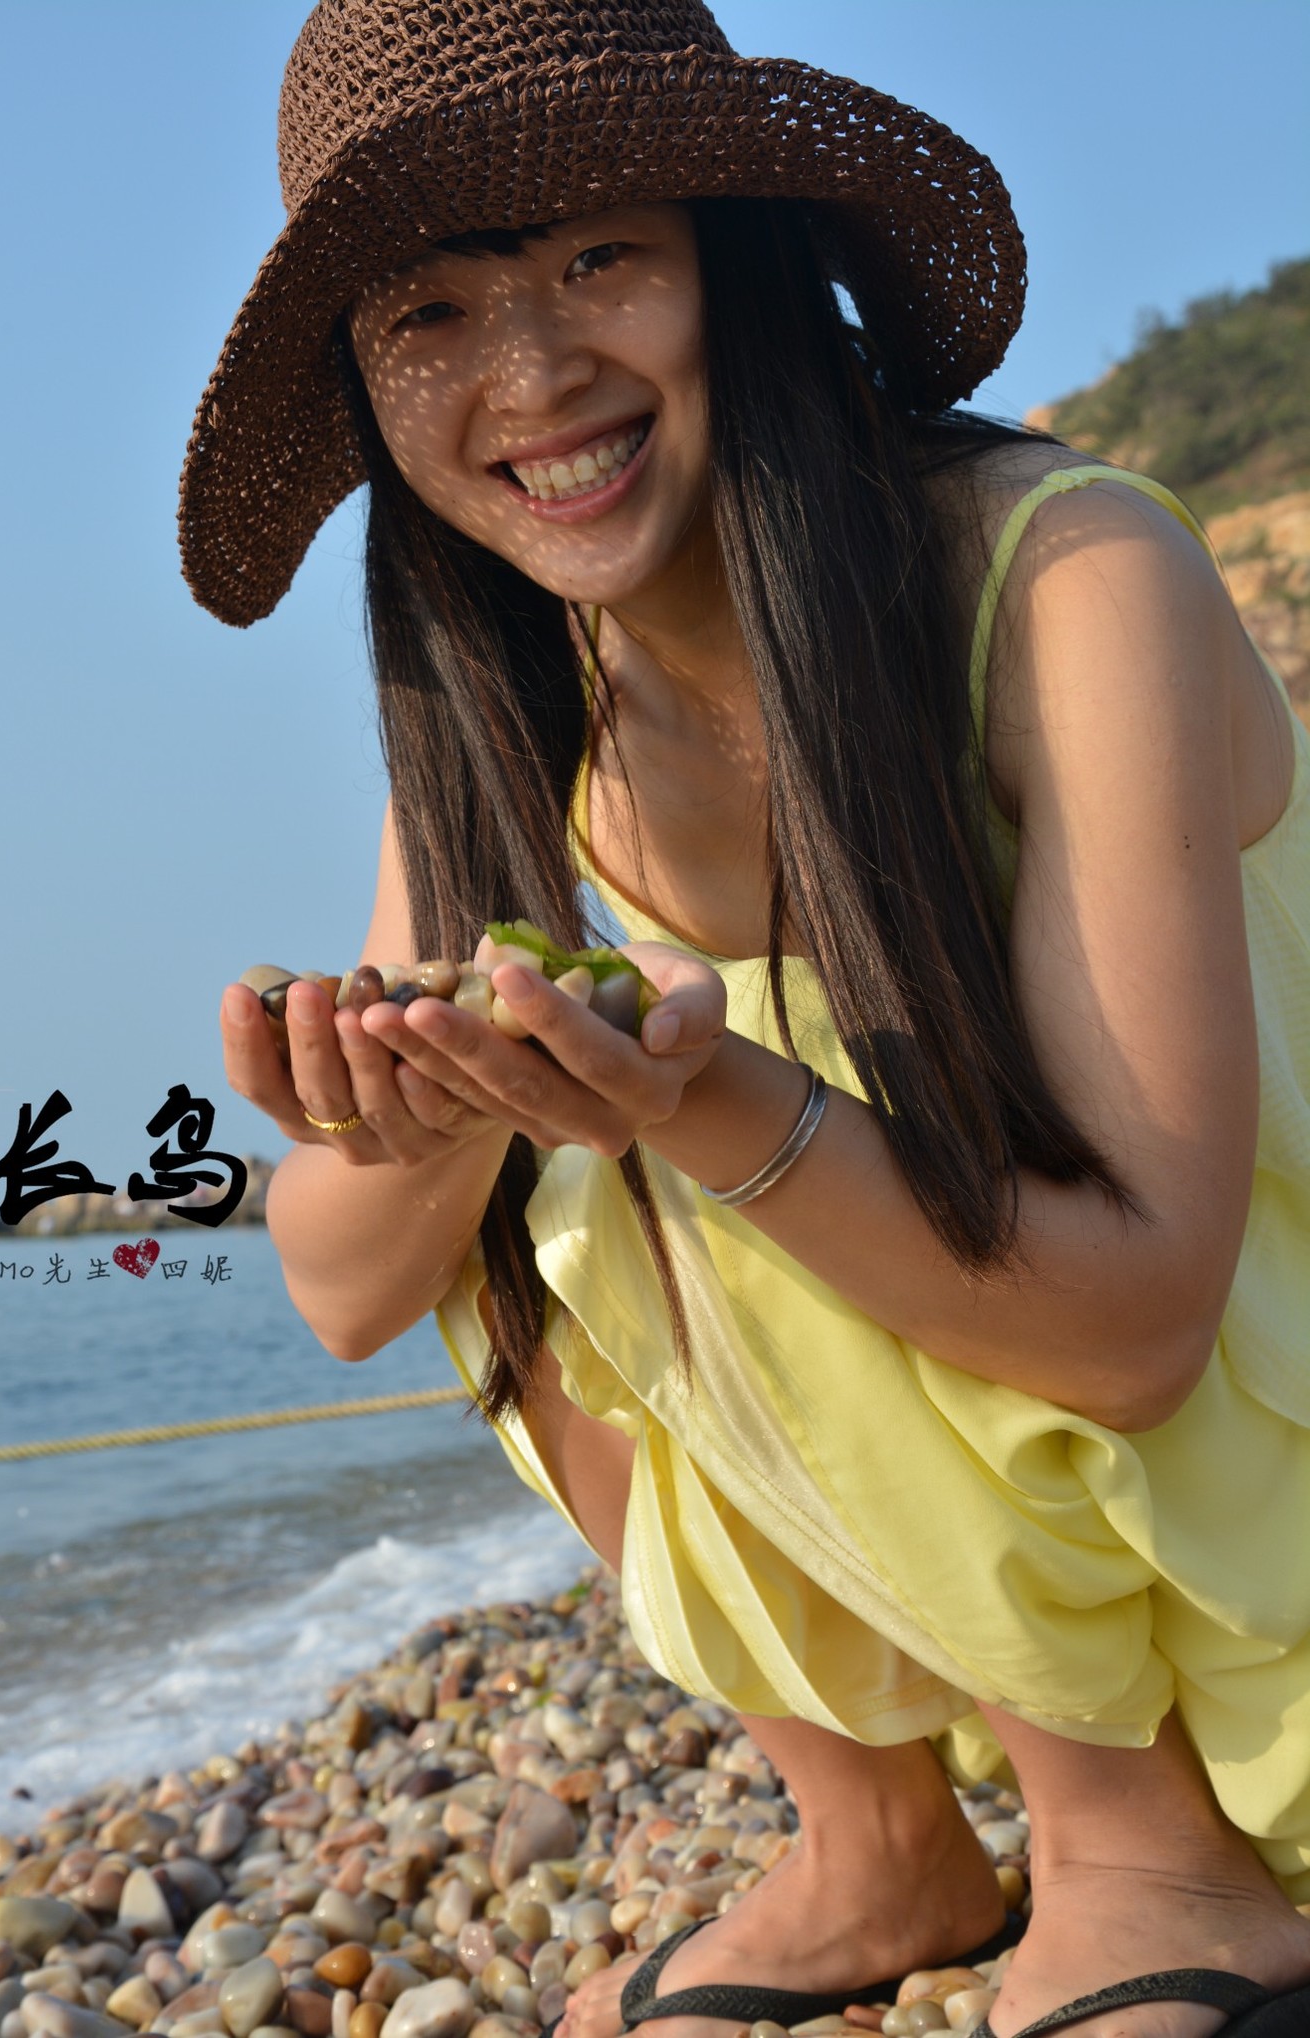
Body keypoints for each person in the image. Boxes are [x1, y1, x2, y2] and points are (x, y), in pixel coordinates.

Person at [188, 5, 1310, 2033]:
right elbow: (346, 1291)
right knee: (513, 1188)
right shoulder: (511, 702)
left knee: (684, 1139)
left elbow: (1146, 1320)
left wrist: (702, 1102)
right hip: (1061, 1531)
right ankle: (879, 1833)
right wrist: (409, 1111)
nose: (534, 372)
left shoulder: (1061, 570)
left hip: (1256, 1485)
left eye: (597, 256)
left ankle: (1146, 1849)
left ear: (738, 257)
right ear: (362, 381)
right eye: (431, 310)